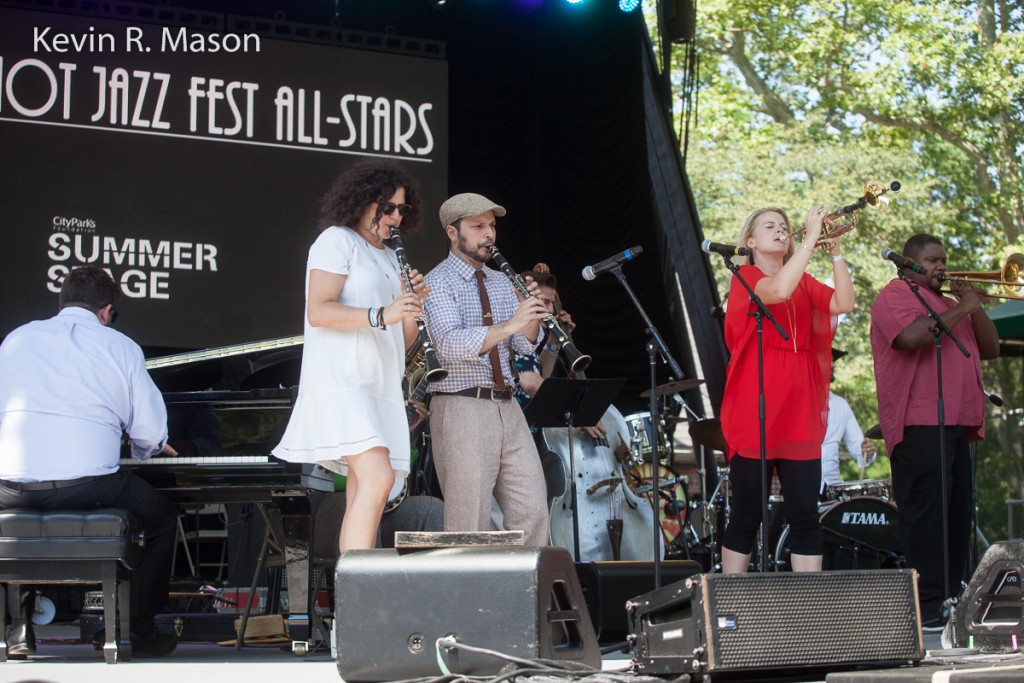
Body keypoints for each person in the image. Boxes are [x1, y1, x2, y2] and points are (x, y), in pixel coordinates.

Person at [0, 266, 179, 658]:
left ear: (62, 302)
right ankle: (139, 629)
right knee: (163, 516)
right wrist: (148, 448)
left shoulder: (17, 339)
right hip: (89, 483)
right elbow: (148, 431)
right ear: (106, 311)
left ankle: (17, 631)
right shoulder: (121, 347)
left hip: (10, 486)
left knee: (18, 522)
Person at [273, 160, 427, 553]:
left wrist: (411, 307)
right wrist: (383, 313)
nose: (395, 216)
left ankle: (354, 597)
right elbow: (318, 311)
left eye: (401, 209)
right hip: (345, 383)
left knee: (369, 489)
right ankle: (359, 592)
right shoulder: (336, 241)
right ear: (362, 201)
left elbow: (404, 340)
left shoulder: (393, 257)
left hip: (380, 387)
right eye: (387, 206)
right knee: (377, 480)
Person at [869, 233, 999, 625]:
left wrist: (972, 307)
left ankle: (952, 601)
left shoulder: (949, 304)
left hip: (958, 421)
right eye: (932, 260)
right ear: (910, 262)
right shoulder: (894, 294)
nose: (942, 266)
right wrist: (963, 310)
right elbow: (910, 337)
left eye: (944, 259)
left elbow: (991, 347)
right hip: (918, 421)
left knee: (957, 516)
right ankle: (926, 608)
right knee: (927, 517)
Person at [719, 206, 855, 573]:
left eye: (784, 226)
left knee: (805, 515)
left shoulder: (805, 281)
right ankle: (732, 604)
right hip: (756, 404)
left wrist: (837, 252)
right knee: (746, 514)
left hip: (799, 408)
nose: (781, 230)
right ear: (750, 241)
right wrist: (810, 238)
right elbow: (777, 290)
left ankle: (808, 610)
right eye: (770, 226)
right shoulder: (745, 275)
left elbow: (844, 303)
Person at [422, 193, 550, 545]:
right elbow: (449, 346)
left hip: (508, 407)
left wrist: (530, 312)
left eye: (491, 226)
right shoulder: (438, 282)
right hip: (461, 406)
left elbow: (524, 345)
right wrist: (511, 323)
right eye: (478, 226)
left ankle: (524, 598)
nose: (488, 234)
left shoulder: (501, 280)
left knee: (533, 511)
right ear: (453, 232)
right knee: (469, 522)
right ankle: (468, 601)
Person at [820, 348, 876, 494]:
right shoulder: (798, 401)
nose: (833, 365)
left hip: (833, 491)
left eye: (833, 361)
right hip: (799, 489)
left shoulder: (841, 405)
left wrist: (866, 451)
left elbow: (857, 445)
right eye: (828, 359)